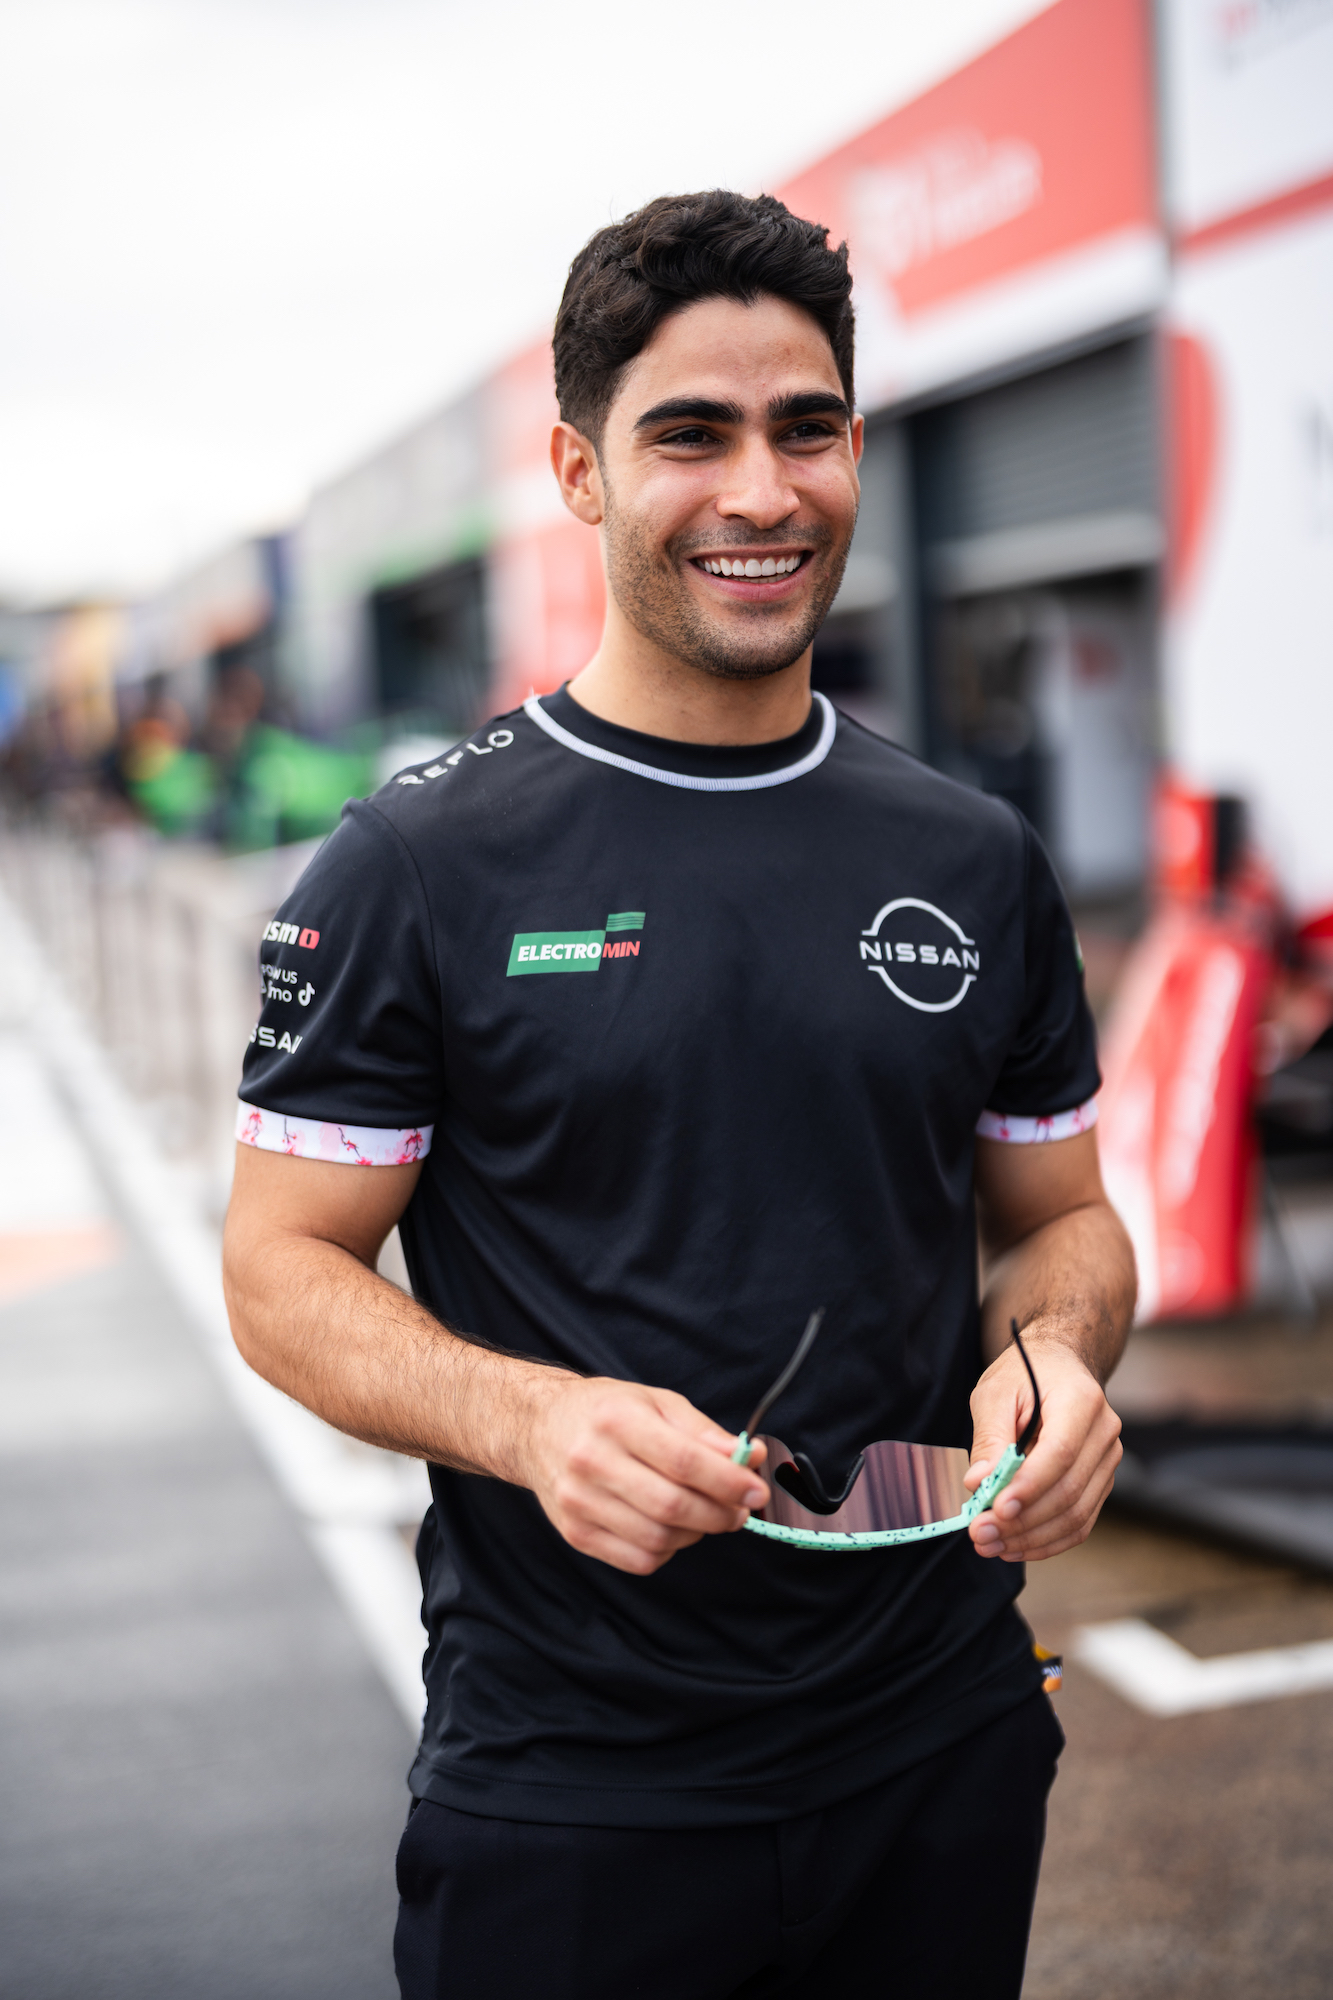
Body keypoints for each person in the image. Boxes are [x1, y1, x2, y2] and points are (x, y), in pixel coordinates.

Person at [222, 190, 1134, 1999]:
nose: (760, 493)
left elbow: (1065, 1222)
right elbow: (276, 1268)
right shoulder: (416, 866)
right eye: (689, 435)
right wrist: (528, 1422)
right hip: (577, 1786)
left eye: (805, 429)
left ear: (855, 449)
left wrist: (1052, 1358)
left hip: (938, 1741)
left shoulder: (969, 858)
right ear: (579, 471)